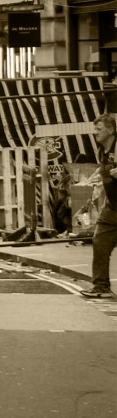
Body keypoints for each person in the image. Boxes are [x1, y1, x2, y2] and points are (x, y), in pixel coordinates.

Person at [84, 112, 117, 298]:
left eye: (99, 129)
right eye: (94, 129)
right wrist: (95, 178)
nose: (95, 133)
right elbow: (104, 170)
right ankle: (101, 287)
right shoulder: (102, 149)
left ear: (111, 130)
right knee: (100, 242)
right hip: (112, 207)